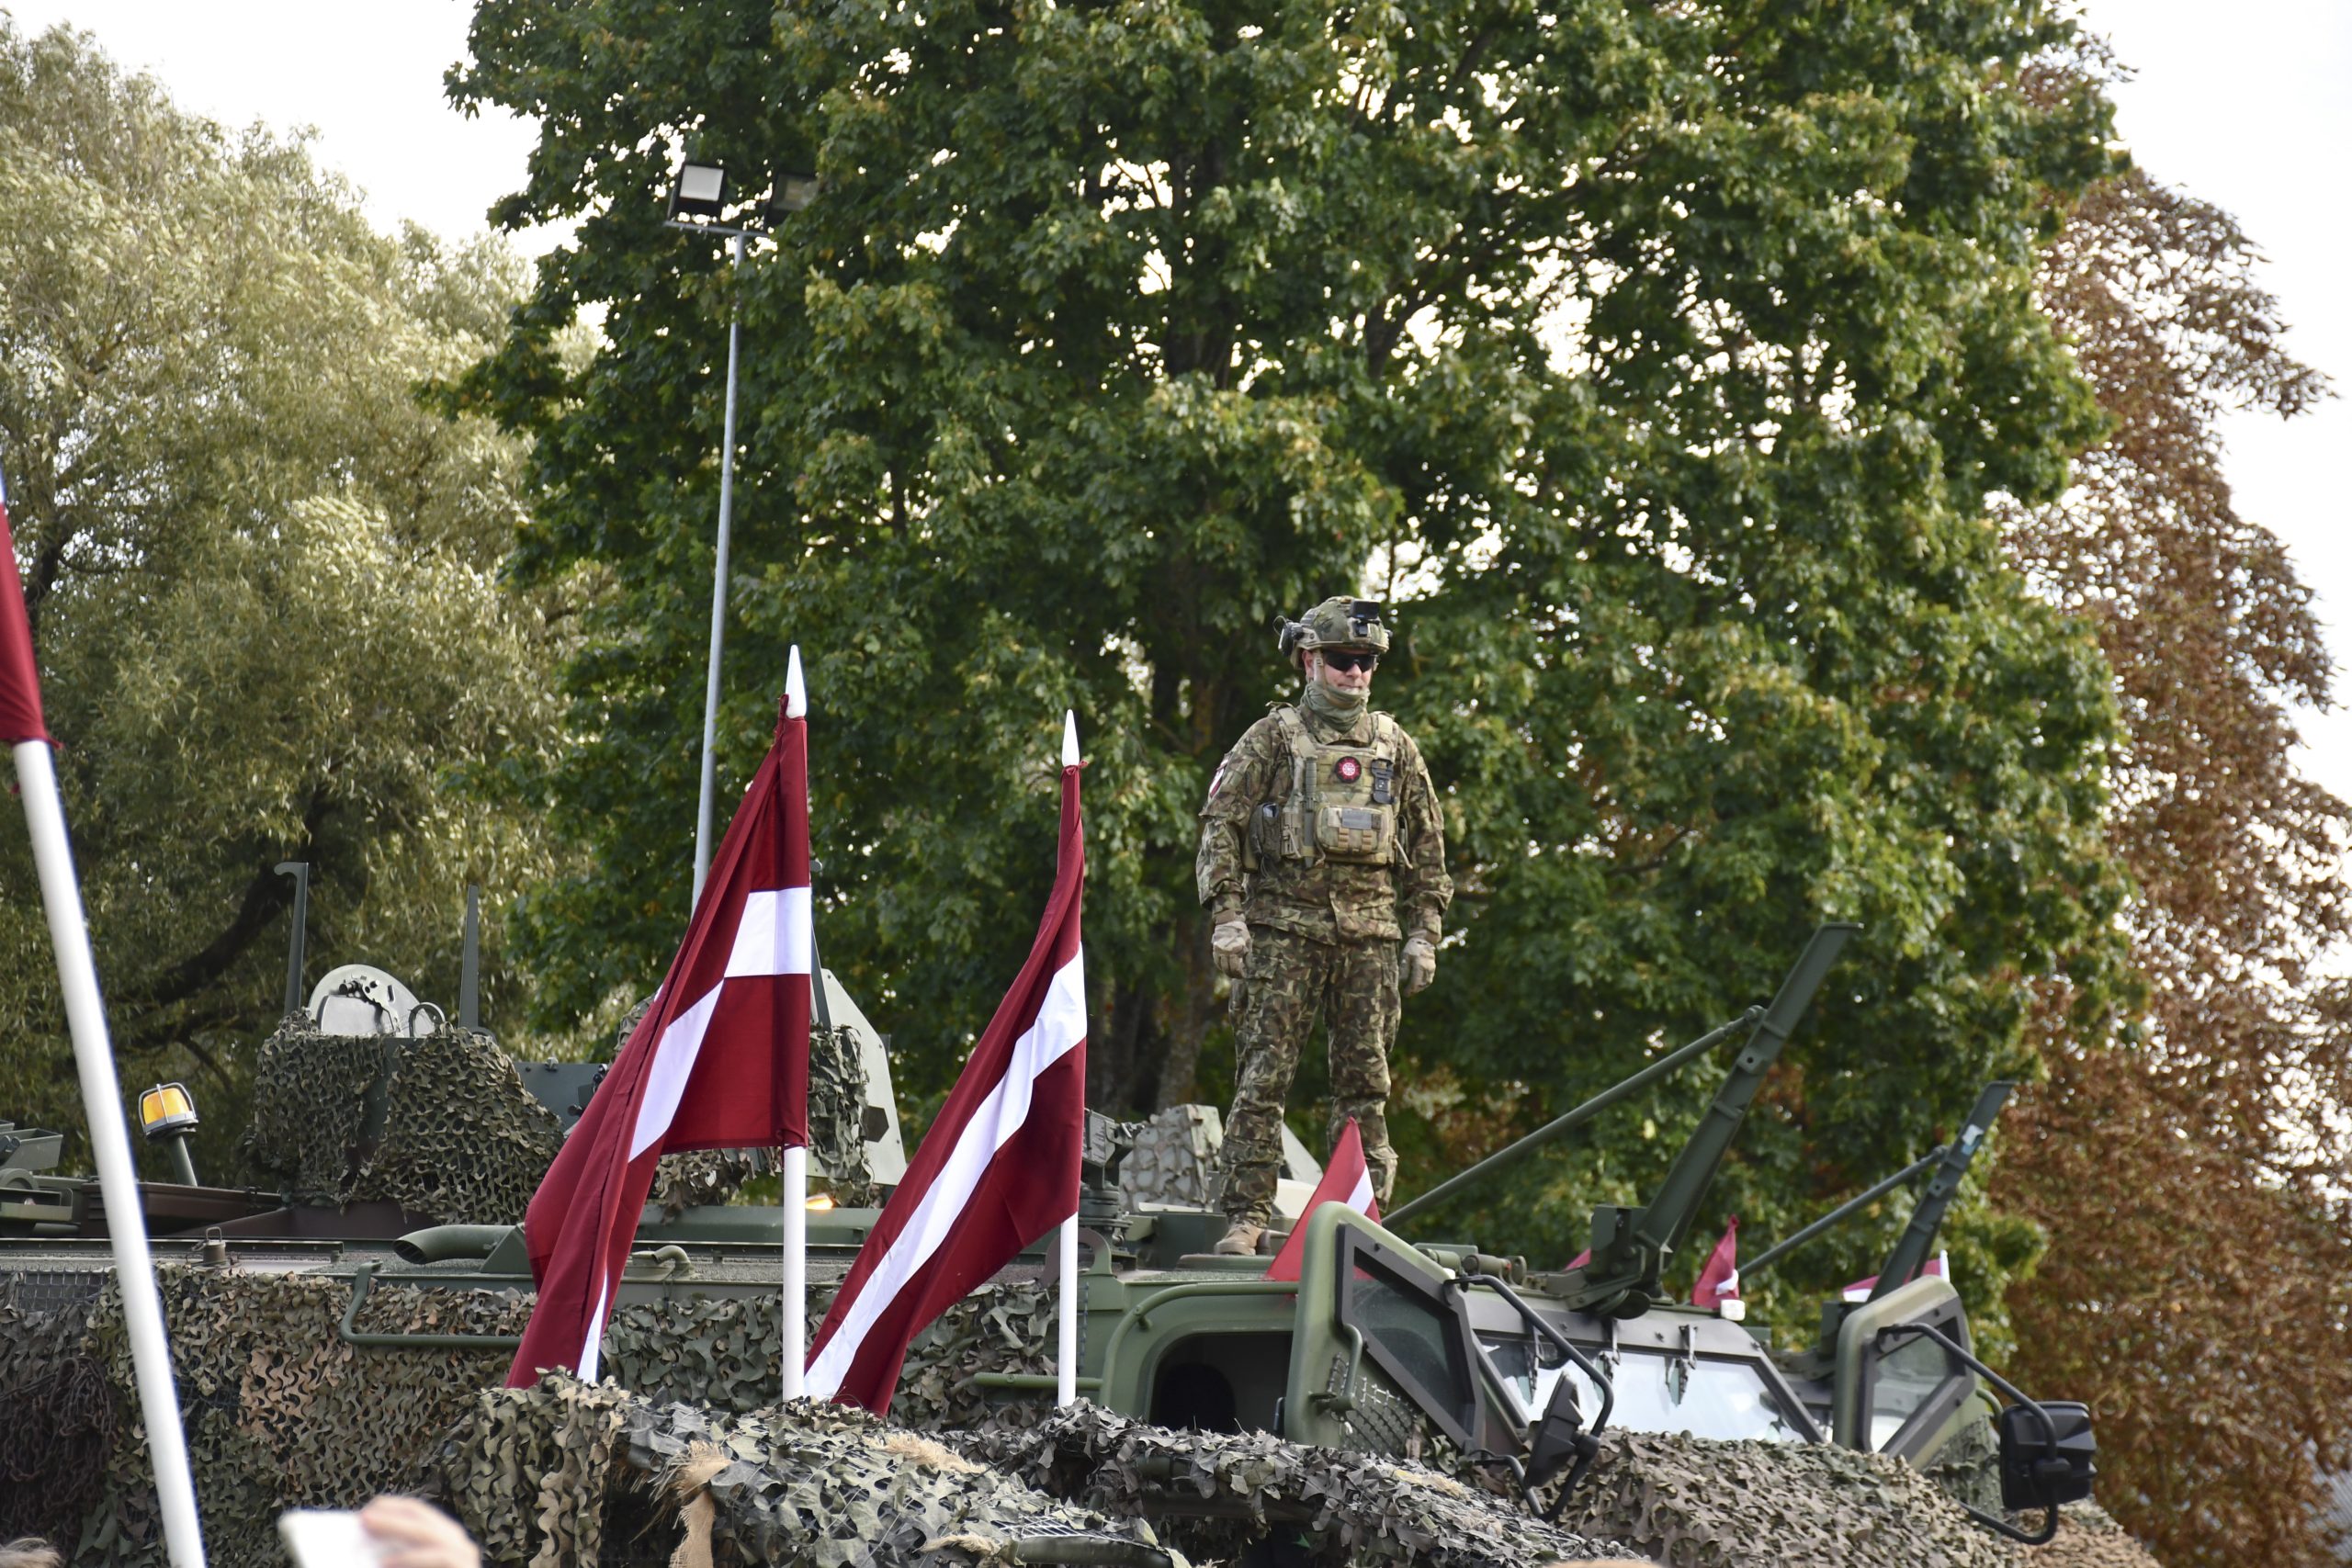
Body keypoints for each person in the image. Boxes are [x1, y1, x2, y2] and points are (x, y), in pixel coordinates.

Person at [1195, 597, 1452, 1256]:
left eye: (1366, 661)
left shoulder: (1395, 746)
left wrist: (1424, 932)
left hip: (1371, 940)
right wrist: (1227, 916)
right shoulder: (1271, 738)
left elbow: (1429, 845)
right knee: (1263, 1079)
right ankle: (1247, 1216)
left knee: (1366, 1088)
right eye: (1342, 659)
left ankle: (1358, 1221)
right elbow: (1220, 824)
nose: (1356, 672)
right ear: (1309, 660)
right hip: (1283, 933)